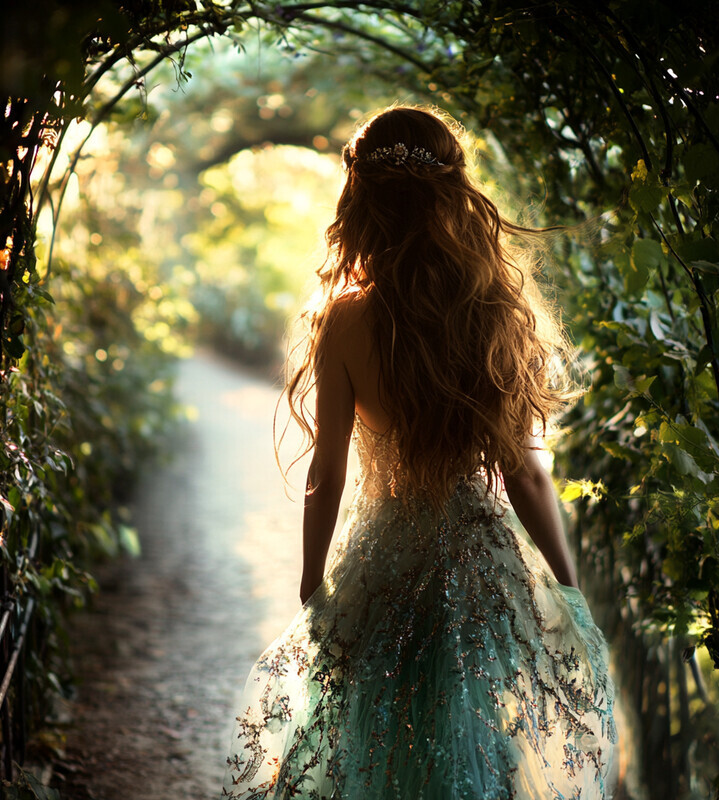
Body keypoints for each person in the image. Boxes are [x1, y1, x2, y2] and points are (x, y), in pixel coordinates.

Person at [221, 105, 618, 800]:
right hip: (480, 570)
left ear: (362, 199)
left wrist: (313, 582)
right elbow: (524, 475)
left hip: (386, 563)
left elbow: (327, 473)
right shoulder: (491, 311)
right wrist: (565, 584)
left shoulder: (345, 321)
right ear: (455, 194)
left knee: (382, 737)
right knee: (473, 738)